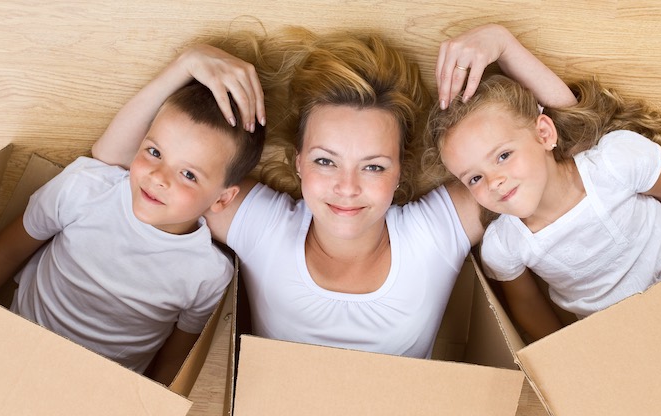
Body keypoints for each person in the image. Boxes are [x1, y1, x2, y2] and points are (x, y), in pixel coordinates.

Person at [90, 25, 574, 359]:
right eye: (325, 161)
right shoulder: (261, 224)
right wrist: (185, 64)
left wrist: (505, 45)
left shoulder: (435, 231)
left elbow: (566, 150)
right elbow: (114, 166)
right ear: (298, 163)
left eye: (373, 166)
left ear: (399, 171)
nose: (346, 188)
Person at [0, 81, 265, 384]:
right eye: (154, 151)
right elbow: (6, 252)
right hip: (14, 344)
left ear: (222, 199)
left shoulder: (209, 274)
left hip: (101, 391)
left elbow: (174, 359)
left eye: (188, 174)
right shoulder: (85, 189)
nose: (157, 177)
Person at [427, 71, 661, 341]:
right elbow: (528, 304)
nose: (494, 181)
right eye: (475, 178)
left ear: (544, 134)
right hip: (621, 335)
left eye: (503, 156)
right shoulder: (506, 245)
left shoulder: (613, 165)